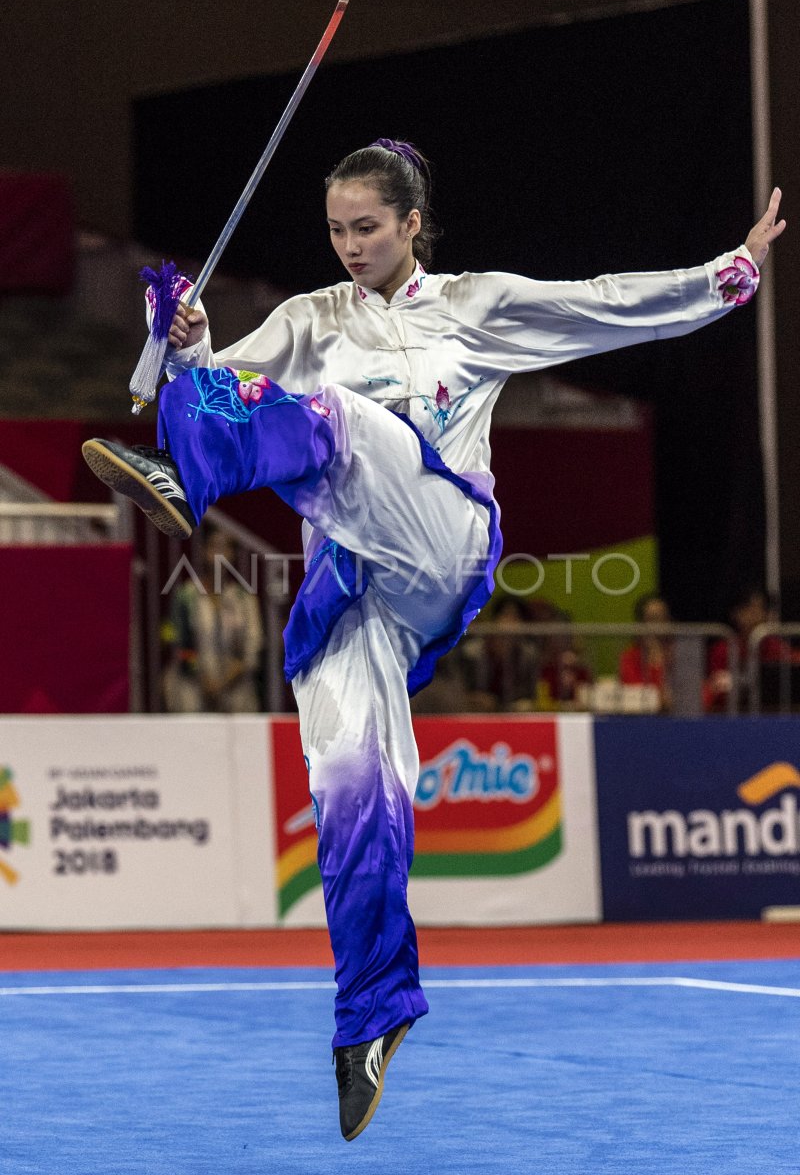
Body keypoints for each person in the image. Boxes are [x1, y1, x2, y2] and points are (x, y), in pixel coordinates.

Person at [81, 140, 785, 1140]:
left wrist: (730, 269)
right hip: (349, 591)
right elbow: (216, 394)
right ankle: (371, 1017)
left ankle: (183, 484)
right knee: (351, 789)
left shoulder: (477, 306)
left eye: (367, 226)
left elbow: (603, 303)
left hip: (442, 543)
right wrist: (186, 344)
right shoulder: (306, 319)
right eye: (334, 229)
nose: (349, 245)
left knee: (334, 420)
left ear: (412, 224)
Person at [162, 526, 264, 712]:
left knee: (243, 701)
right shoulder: (186, 595)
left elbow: (253, 646)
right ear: (203, 551)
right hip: (194, 682)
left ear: (233, 554)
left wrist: (227, 679)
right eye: (214, 547)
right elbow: (175, 640)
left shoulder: (244, 599)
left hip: (235, 682)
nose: (220, 554)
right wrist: (204, 680)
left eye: (226, 548)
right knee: (183, 693)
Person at [618, 592, 674, 712]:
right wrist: (661, 699)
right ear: (641, 623)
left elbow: (698, 693)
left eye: (664, 618)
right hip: (642, 722)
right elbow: (633, 694)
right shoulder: (630, 657)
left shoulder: (679, 655)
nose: (660, 624)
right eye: (653, 619)